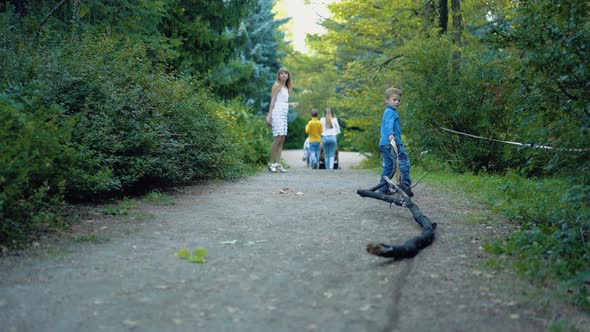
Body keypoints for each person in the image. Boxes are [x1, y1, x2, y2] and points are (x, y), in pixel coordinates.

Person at [378, 87, 413, 197]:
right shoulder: (390, 113)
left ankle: (383, 188)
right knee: (404, 162)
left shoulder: (389, 111)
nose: (397, 102)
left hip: (384, 143)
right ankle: (405, 186)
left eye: (398, 100)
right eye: (394, 99)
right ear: (387, 100)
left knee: (389, 166)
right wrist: (391, 135)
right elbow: (389, 124)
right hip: (392, 143)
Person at [265, 67, 299, 173]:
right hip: (277, 112)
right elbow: (273, 101)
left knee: (282, 138)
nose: (284, 75)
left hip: (284, 113)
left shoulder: (286, 87)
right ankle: (271, 163)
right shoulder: (276, 86)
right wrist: (269, 115)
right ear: (279, 76)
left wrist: (291, 104)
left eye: (286, 73)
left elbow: (282, 101)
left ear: (288, 76)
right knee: (278, 138)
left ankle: (278, 163)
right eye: (281, 73)